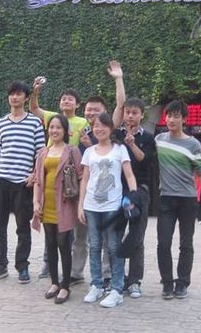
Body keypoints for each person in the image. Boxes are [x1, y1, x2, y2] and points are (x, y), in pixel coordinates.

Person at [0, 81, 45, 284]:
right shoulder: (0, 123)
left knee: (23, 227)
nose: (14, 97)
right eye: (11, 94)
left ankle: (22, 266)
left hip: (23, 183)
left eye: (19, 94)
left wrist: (34, 174)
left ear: (26, 98)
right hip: (2, 180)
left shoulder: (34, 123)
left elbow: (40, 152)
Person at [155, 100, 201, 300]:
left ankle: (182, 283)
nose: (171, 120)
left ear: (184, 119)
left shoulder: (193, 144)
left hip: (187, 200)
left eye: (176, 116)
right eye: (168, 116)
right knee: (163, 243)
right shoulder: (159, 140)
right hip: (166, 199)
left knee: (186, 244)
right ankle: (167, 283)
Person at [78, 113, 137, 308]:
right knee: (94, 246)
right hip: (91, 206)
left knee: (113, 247)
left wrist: (134, 197)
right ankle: (96, 285)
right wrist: (80, 205)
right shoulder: (89, 151)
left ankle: (117, 289)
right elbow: (85, 179)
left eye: (103, 125)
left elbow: (129, 175)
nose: (99, 129)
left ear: (111, 128)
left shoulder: (120, 149)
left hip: (113, 206)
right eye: (96, 125)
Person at [32, 114, 82, 304]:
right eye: (52, 127)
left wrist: (80, 203)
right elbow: (37, 180)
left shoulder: (72, 151)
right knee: (50, 243)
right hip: (47, 203)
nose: (54, 131)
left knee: (63, 243)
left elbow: (80, 177)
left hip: (65, 204)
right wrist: (36, 203)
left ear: (65, 130)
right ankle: (54, 282)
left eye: (58, 127)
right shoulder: (43, 152)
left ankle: (65, 286)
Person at [114, 97, 156, 299]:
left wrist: (132, 145)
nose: (130, 116)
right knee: (115, 234)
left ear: (142, 115)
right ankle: (117, 278)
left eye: (134, 113)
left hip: (139, 191)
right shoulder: (115, 135)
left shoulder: (147, 137)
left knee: (137, 236)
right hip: (117, 191)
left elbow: (146, 161)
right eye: (127, 112)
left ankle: (134, 281)